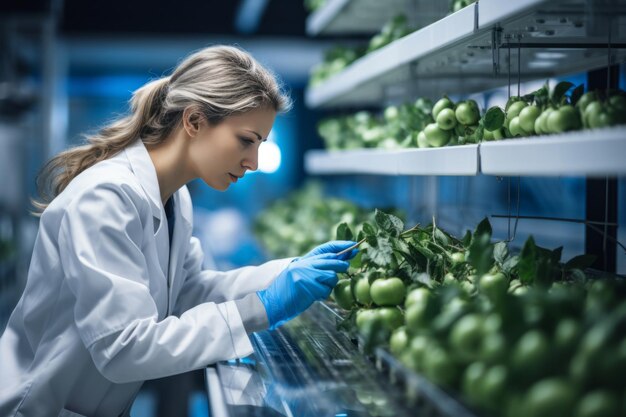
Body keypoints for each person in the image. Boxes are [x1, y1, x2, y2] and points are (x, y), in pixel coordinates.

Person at [0, 45, 357, 417]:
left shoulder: (175, 199)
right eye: (246, 140)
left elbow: (188, 293)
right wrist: (262, 308)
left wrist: (286, 272)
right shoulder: (105, 197)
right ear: (195, 122)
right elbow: (123, 349)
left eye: (260, 145)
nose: (253, 162)